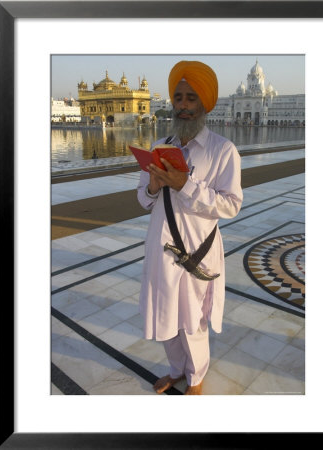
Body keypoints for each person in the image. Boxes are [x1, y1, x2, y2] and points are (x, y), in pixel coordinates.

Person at [137, 60, 243, 395]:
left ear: (204, 104)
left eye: (191, 98)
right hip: (161, 249)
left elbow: (231, 204)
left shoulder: (223, 151)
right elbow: (143, 200)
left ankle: (195, 378)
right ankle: (176, 370)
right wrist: (154, 185)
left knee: (194, 321)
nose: (183, 105)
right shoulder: (159, 147)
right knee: (167, 316)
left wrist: (186, 185)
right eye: (179, 97)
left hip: (198, 251)